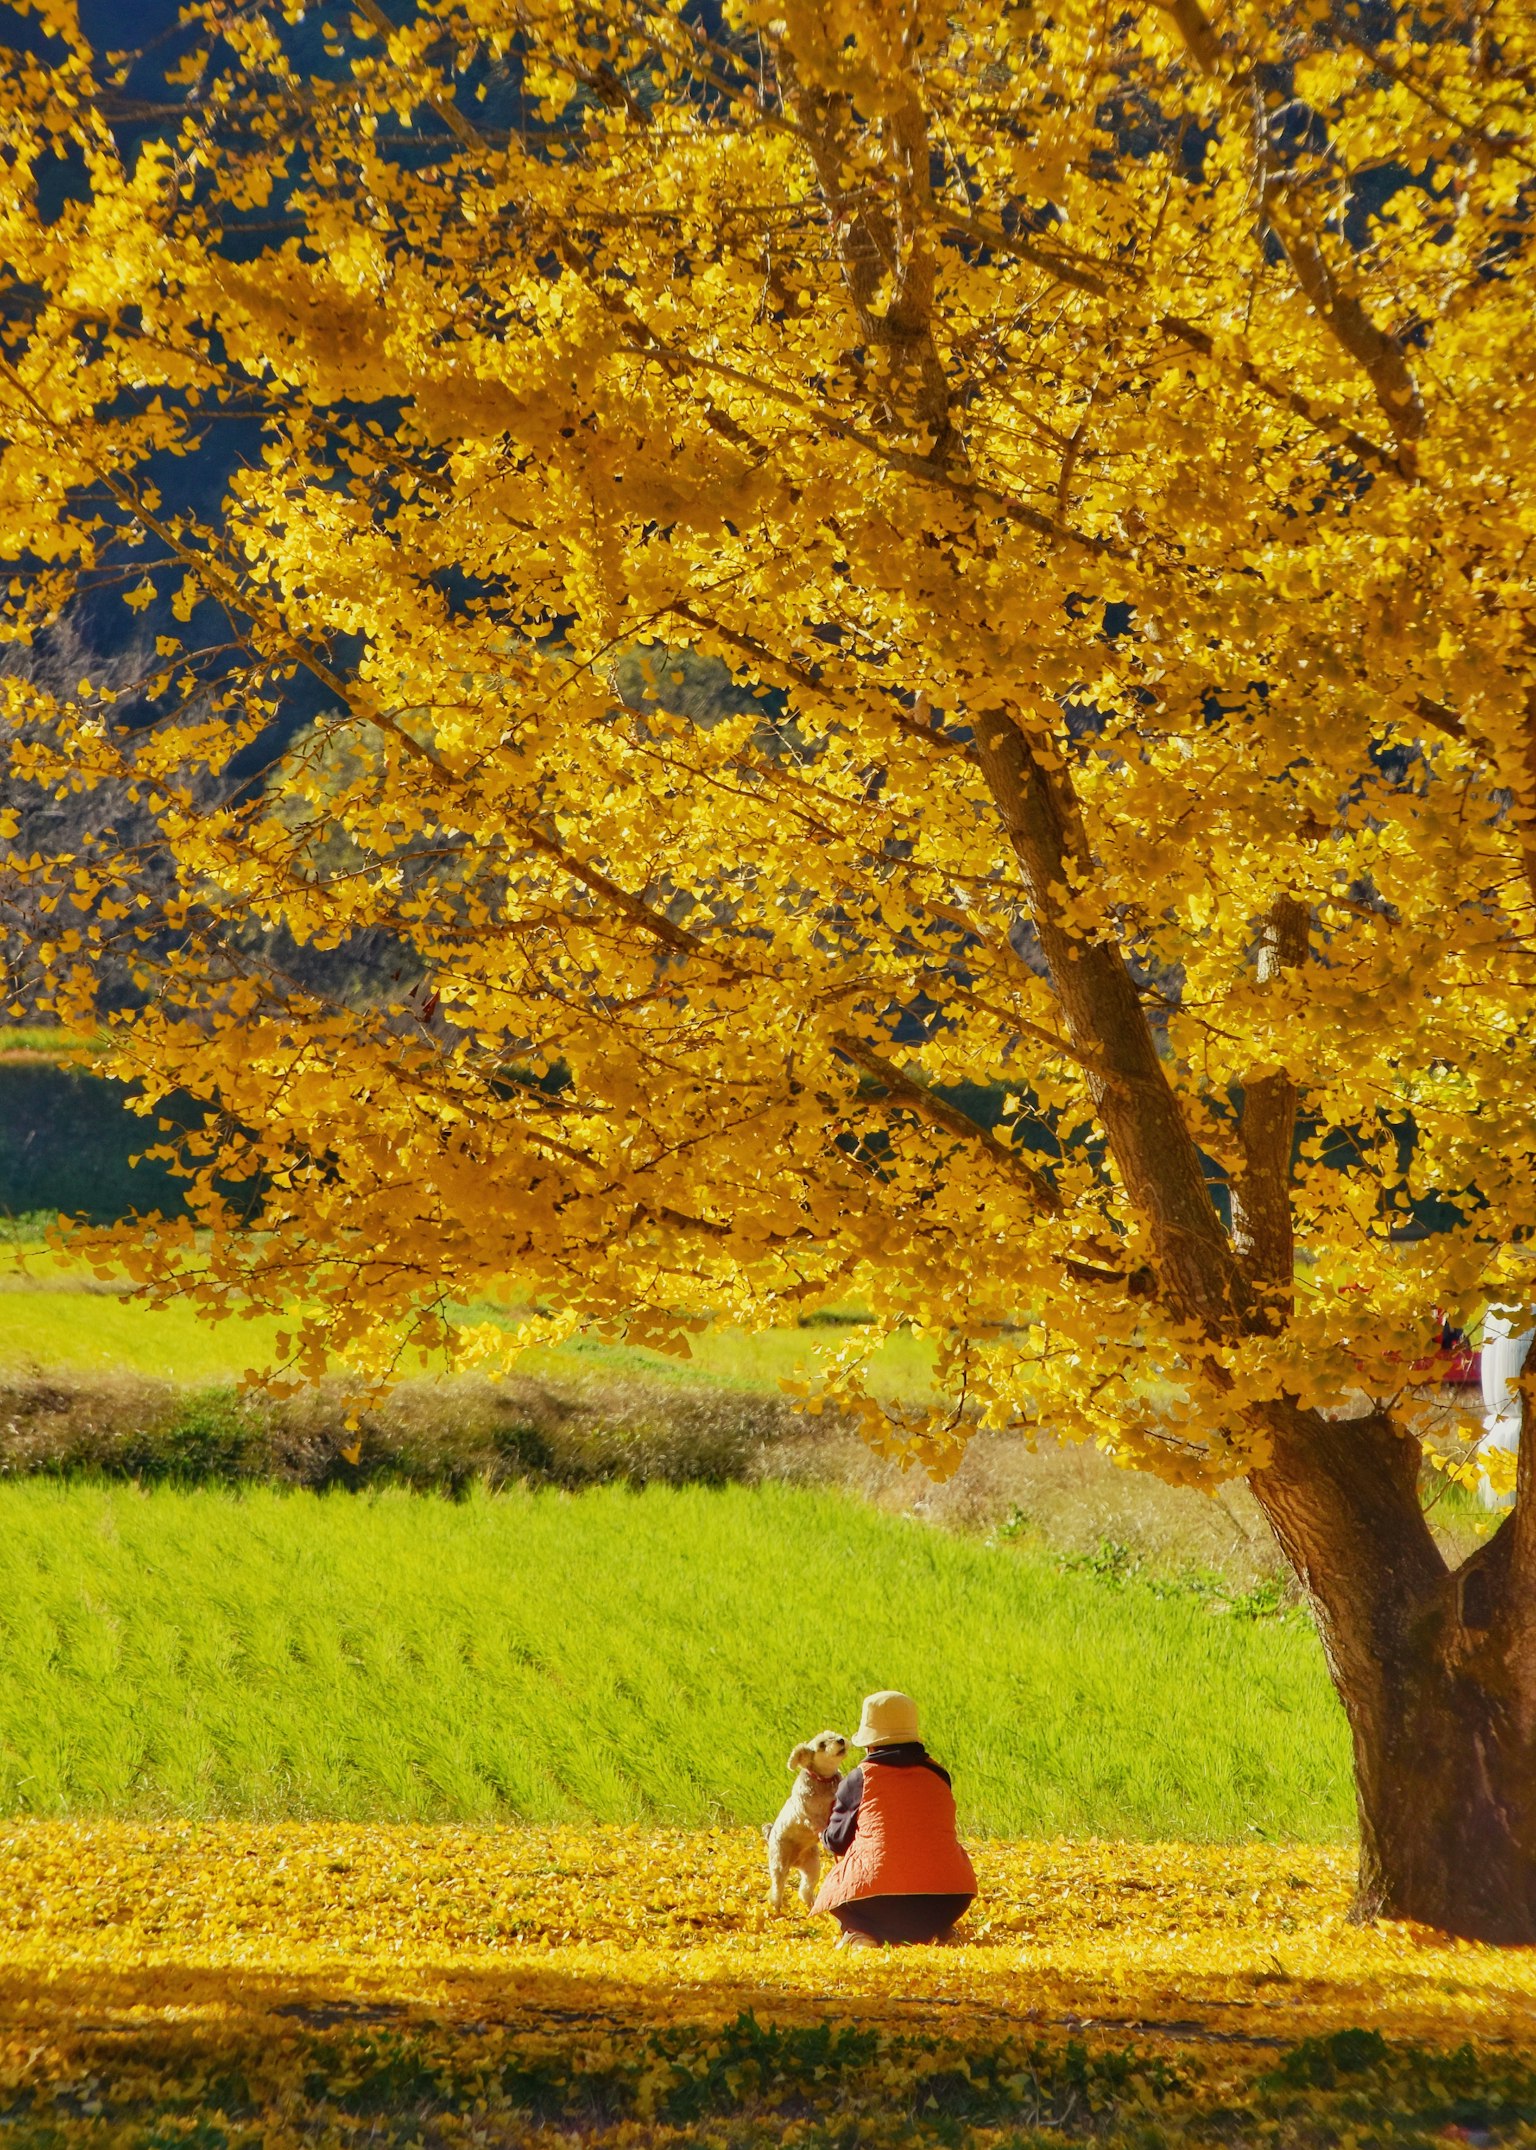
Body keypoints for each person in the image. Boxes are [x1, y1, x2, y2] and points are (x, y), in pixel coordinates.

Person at [812, 1690, 976, 1947]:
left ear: (871, 1743)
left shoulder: (860, 1778)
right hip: (949, 1900)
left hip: (878, 1903)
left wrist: (821, 1832)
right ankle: (941, 1931)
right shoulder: (939, 1774)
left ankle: (860, 1934)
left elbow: (837, 1842)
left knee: (840, 1882)